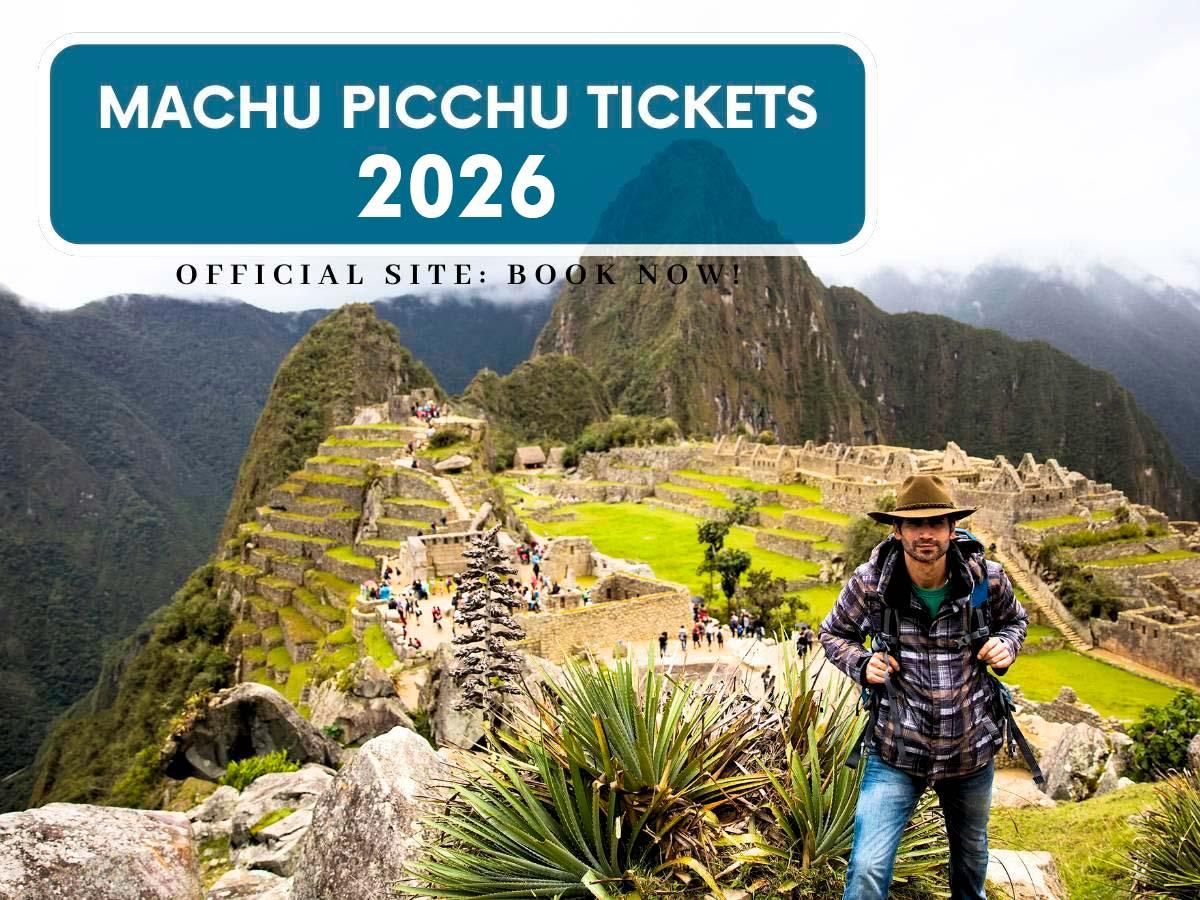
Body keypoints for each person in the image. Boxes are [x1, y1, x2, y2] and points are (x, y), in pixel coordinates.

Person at [819, 475, 1029, 900]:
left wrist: (1006, 646)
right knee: (867, 866)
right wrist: (863, 663)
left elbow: (1014, 621)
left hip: (969, 749)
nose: (926, 534)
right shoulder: (871, 584)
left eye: (936, 523)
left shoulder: (985, 580)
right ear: (897, 530)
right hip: (897, 750)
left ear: (952, 529)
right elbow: (833, 633)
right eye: (915, 524)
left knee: (971, 860)